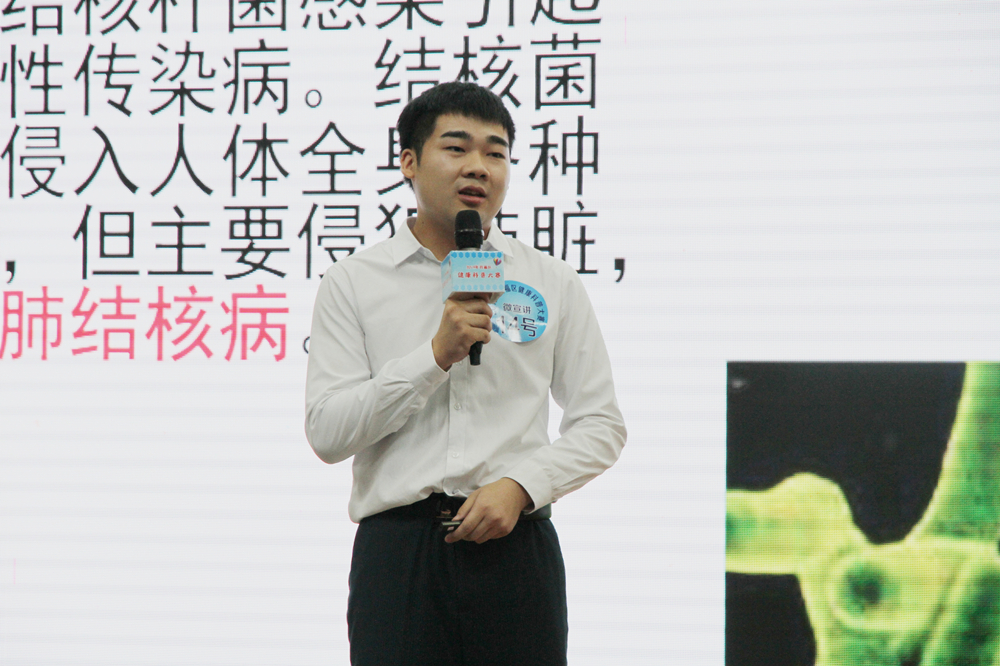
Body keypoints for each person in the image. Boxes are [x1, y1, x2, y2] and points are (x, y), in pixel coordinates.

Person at [305, 81, 626, 666]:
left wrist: (522, 486)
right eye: (456, 148)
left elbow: (601, 424)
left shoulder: (551, 279)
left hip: (515, 548)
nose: (479, 166)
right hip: (400, 556)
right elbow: (328, 432)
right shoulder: (353, 282)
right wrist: (434, 356)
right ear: (409, 162)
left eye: (495, 153)